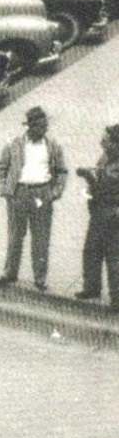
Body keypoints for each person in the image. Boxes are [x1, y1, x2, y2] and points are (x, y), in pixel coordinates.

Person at [0, 106, 68, 291]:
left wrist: (56, 191)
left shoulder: (53, 146)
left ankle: (40, 278)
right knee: (15, 235)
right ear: (30, 127)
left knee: (41, 237)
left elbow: (61, 171)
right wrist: (4, 189)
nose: (45, 130)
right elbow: (1, 167)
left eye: (45, 126)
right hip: (19, 193)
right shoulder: (14, 144)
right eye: (40, 126)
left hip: (42, 193)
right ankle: (10, 273)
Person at [75, 124, 119, 306]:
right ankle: (91, 287)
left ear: (116, 144)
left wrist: (90, 177)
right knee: (91, 250)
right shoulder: (105, 158)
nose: (101, 142)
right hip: (99, 210)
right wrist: (89, 176)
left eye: (106, 140)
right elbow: (98, 178)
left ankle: (117, 297)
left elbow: (105, 184)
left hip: (113, 212)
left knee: (114, 256)